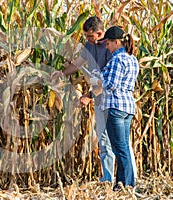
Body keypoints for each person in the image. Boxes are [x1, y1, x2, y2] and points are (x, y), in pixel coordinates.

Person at [62, 16, 117, 182]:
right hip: (99, 101)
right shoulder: (89, 45)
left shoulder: (110, 48)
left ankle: (129, 178)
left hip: (112, 101)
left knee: (120, 142)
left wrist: (88, 96)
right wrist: (62, 74)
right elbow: (77, 63)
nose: (87, 39)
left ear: (100, 33)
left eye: (90, 36)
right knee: (103, 140)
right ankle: (108, 178)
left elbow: (106, 81)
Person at [97, 26, 140, 188]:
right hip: (127, 106)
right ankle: (121, 184)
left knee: (119, 148)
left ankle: (128, 184)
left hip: (115, 107)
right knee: (123, 146)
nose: (107, 47)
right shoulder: (132, 59)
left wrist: (99, 79)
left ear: (116, 42)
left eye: (108, 43)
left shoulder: (117, 59)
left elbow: (111, 85)